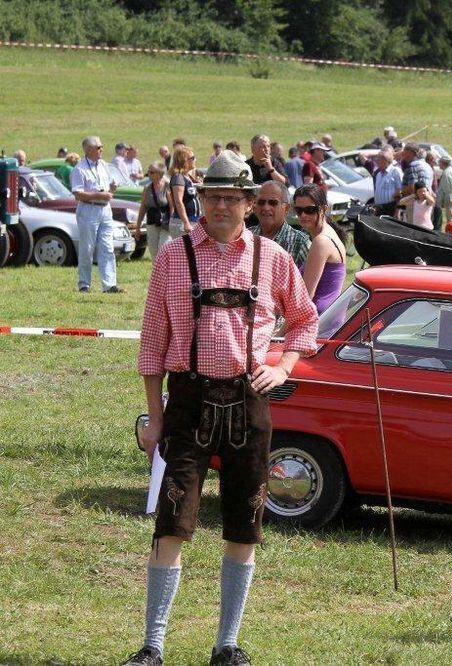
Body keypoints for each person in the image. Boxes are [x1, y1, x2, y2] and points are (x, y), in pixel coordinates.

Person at [126, 150, 317, 666]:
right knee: (171, 522)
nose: (222, 207)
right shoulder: (173, 256)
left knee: (244, 523)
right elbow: (152, 342)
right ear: (201, 199)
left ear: (250, 204)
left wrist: (284, 368)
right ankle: (153, 646)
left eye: (233, 198)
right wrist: (157, 415)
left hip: (249, 404)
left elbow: (305, 319)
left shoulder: (272, 258)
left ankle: (226, 645)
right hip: (188, 403)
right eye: (213, 197)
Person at [70, 136, 124, 293]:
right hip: (88, 209)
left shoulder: (104, 166)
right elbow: (78, 194)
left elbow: (107, 190)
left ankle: (109, 285)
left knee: (107, 247)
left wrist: (112, 189)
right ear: (88, 149)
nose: (102, 149)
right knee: (87, 248)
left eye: (102, 146)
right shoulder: (79, 169)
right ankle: (84, 284)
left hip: (105, 209)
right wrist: (98, 196)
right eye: (99, 147)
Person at [294, 183, 347, 316]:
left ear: (323, 209)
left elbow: (305, 297)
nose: (303, 215)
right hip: (330, 317)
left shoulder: (321, 242)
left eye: (310, 210)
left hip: (320, 322)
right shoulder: (329, 234)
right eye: (299, 210)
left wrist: (280, 333)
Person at [250, 181, 310, 268]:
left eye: (273, 203)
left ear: (286, 208)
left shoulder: (300, 243)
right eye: (261, 202)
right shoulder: (246, 236)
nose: (266, 207)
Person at [138, 162, 172, 258]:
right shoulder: (147, 188)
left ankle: (165, 271)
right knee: (153, 250)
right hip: (152, 222)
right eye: (148, 171)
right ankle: (156, 272)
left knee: (163, 248)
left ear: (159, 174)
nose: (148, 174)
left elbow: (173, 207)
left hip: (166, 223)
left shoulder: (168, 185)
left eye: (151, 172)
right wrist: (137, 227)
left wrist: (172, 221)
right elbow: (143, 208)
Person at [168, 145, 201, 238]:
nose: (195, 160)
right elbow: (178, 201)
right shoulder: (178, 178)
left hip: (193, 221)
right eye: (192, 158)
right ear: (184, 160)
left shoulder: (188, 177)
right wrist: (186, 222)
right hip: (182, 223)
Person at [399, 144, 434, 223]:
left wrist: (400, 192)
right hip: (426, 203)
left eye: (405, 152)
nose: (403, 155)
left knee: (411, 229)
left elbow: (412, 187)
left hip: (415, 204)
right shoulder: (427, 166)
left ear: (411, 152)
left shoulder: (413, 165)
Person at [372, 147, 403, 217]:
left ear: (385, 161)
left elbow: (401, 192)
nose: (376, 161)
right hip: (379, 209)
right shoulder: (378, 174)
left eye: (379, 159)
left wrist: (398, 211)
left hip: (391, 208)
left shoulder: (395, 171)